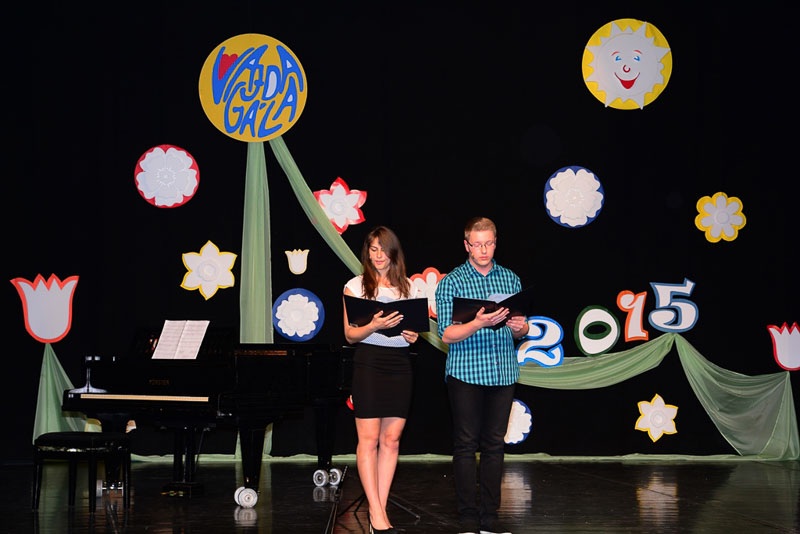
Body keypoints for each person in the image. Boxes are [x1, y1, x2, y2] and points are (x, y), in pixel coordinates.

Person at [434, 217, 529, 534]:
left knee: (494, 445)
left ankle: (490, 515)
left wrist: (521, 328)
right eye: (477, 244)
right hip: (467, 372)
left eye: (488, 243)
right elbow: (446, 334)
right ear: (466, 245)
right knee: (465, 444)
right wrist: (478, 323)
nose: (483, 249)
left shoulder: (510, 278)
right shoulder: (453, 281)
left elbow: (521, 328)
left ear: (496, 242)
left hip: (503, 373)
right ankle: (467, 515)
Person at [343, 226, 421, 534]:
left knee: (391, 440)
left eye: (383, 249)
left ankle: (379, 511)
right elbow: (350, 335)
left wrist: (412, 336)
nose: (378, 255)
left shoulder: (409, 287)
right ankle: (376, 514)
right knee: (369, 439)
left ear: (393, 253)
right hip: (369, 363)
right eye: (373, 249)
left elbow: (415, 331)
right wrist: (373, 325)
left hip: (400, 364)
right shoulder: (354, 286)